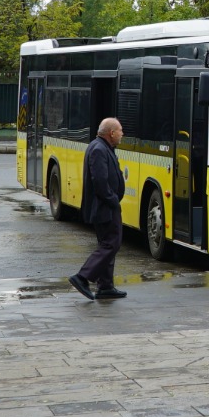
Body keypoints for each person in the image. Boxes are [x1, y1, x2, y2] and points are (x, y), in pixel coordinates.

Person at [68, 117, 128, 300]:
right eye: (120, 131)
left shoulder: (103, 147)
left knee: (108, 243)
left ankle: (105, 286)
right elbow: (100, 181)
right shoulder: (98, 149)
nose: (122, 134)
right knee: (111, 243)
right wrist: (113, 201)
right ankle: (82, 277)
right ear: (111, 133)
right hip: (104, 207)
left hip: (106, 206)